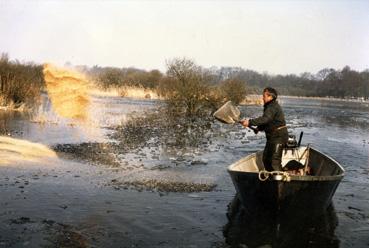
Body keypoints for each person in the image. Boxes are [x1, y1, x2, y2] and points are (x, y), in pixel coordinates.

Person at [241, 87, 288, 171]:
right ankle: (270, 179)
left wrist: (249, 122)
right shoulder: (269, 106)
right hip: (272, 137)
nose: (262, 98)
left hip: (279, 137)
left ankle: (280, 183)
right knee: (265, 159)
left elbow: (266, 119)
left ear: (271, 97)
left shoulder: (273, 106)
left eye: (264, 96)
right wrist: (259, 128)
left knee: (274, 161)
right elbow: (268, 122)